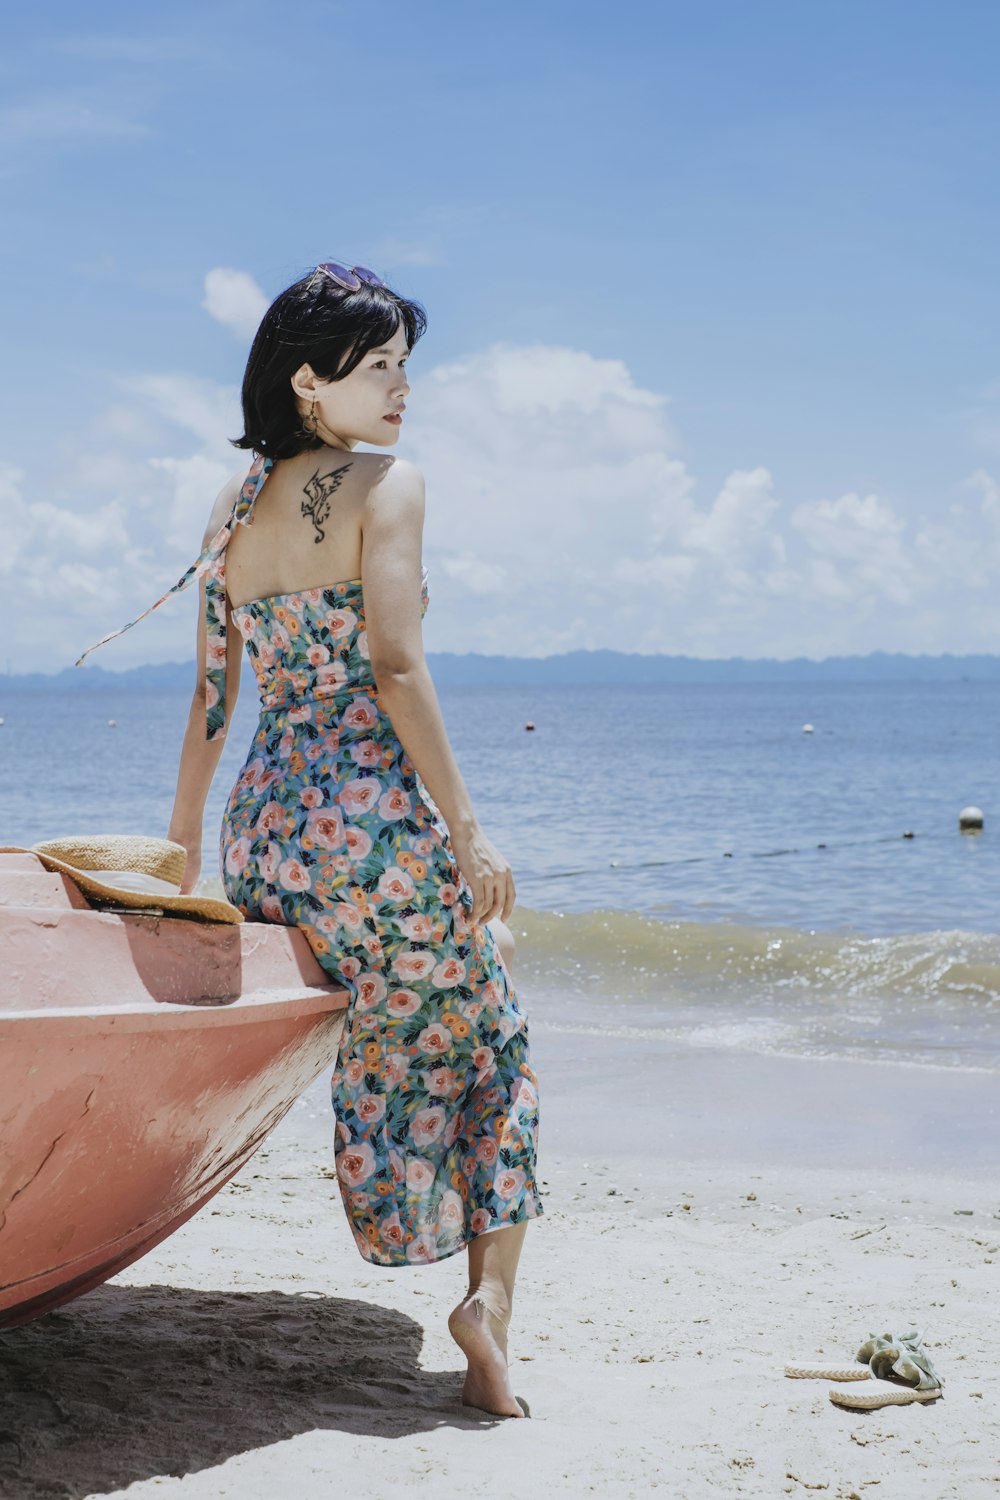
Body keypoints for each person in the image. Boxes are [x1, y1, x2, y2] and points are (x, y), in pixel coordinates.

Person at [77, 261, 543, 1418]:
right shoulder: (390, 485)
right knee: (495, 1042)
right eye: (378, 366)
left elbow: (211, 694)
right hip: (372, 825)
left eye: (404, 369)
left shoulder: (231, 513)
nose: (401, 390)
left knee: (389, 1024)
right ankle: (488, 1305)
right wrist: (469, 831)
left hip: (269, 829)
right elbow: (393, 664)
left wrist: (184, 845)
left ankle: (422, 1229)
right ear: (307, 378)